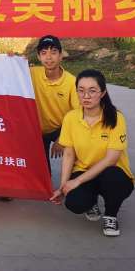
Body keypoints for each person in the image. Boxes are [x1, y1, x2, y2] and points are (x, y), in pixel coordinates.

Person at [50, 69, 134, 237]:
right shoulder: (71, 118)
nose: (86, 96)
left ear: (102, 93)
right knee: (74, 203)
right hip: (83, 170)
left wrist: (77, 181)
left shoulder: (116, 118)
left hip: (111, 172)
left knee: (114, 179)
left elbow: (111, 160)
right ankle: (91, 203)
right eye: (81, 90)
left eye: (92, 91)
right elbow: (69, 154)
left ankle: (111, 215)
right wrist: (64, 186)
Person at [30, 35, 79, 174]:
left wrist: (62, 138)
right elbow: (9, 71)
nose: (49, 57)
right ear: (39, 57)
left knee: (79, 148)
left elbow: (79, 114)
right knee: (42, 175)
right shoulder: (32, 73)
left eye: (53, 52)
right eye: (44, 53)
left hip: (61, 127)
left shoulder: (72, 82)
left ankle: (78, 175)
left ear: (61, 55)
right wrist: (11, 58)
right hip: (37, 130)